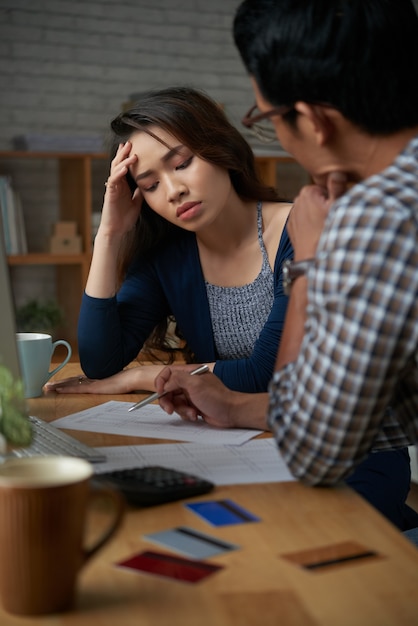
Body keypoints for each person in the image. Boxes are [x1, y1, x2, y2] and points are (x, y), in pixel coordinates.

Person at [154, 0, 418, 532]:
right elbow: (379, 402)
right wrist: (238, 407)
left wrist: (310, 262)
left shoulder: (374, 219)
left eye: (269, 119)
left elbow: (312, 453)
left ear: (316, 119)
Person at [45, 86, 293, 396]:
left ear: (221, 148)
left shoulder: (298, 230)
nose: (173, 190)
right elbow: (100, 363)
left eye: (182, 164)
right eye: (150, 185)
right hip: (230, 433)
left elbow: (268, 372)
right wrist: (109, 234)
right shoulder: (167, 257)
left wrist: (139, 378)